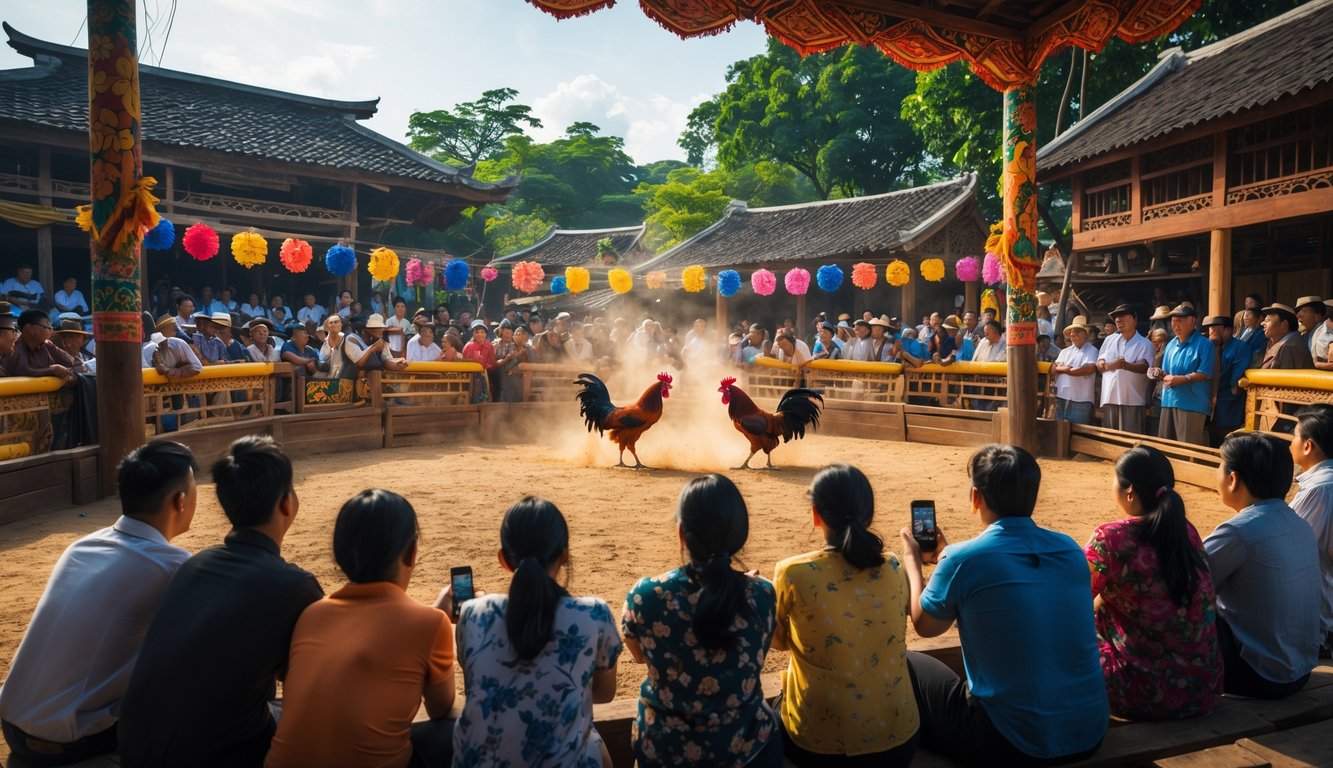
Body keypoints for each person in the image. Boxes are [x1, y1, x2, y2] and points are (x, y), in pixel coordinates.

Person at [118, 435, 324, 767]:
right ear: (288, 504)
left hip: (133, 750)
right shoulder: (295, 585)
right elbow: (312, 684)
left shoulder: (192, 565)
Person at [901, 445, 1108, 765]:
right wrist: (946, 555)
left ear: (975, 497)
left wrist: (914, 566)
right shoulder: (1068, 549)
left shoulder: (963, 558)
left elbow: (925, 624)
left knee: (906, 661)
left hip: (1012, 742)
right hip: (1089, 731)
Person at [0, 441, 198, 766]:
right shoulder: (173, 566)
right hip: (69, 741)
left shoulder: (82, 545)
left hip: (12, 722)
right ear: (180, 501)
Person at [265, 490, 456, 768]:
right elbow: (440, 708)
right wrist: (438, 618)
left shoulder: (312, 614)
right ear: (412, 552)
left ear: (340, 556)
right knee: (457, 728)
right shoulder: (430, 623)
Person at [622, 475, 780, 767]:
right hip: (745, 751)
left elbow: (639, 655)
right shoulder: (762, 594)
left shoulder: (645, 595)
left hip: (665, 749)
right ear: (739, 533)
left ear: (682, 534)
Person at [453, 498, 620, 766]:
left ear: (504, 560)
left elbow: (477, 687)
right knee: (593, 744)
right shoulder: (594, 615)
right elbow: (604, 694)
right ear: (564, 555)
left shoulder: (472, 614)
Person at [773, 465, 919, 767]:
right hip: (900, 743)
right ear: (870, 515)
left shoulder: (792, 572)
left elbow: (778, 642)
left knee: (776, 704)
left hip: (817, 749)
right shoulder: (893, 566)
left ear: (816, 515)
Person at [1084, 446, 1222, 720]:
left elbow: (1072, 601)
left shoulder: (1110, 539)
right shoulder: (1186, 530)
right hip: (1203, 688)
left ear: (1130, 491)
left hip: (1142, 693)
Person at [1206, 433, 1321, 699]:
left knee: (1179, 599)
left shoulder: (1239, 531)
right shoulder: (1299, 524)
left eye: (1220, 466)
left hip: (1259, 677)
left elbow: (1189, 578)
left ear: (1232, 479)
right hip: (1299, 672)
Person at [1290, 405, 1333, 659]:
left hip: (1318, 623)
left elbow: (1289, 546)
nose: (1291, 443)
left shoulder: (1321, 489)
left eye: (1294, 436)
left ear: (1308, 446)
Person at [1156, 304, 1214, 446]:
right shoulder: (1170, 344)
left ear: (1193, 321)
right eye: (1173, 321)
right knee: (1166, 447)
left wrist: (1181, 379)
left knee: (1188, 449)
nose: (1175, 325)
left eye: (1180, 320)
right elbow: (1167, 372)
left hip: (1192, 403)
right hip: (1169, 400)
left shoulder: (1205, 344)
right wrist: (1160, 373)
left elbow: (1205, 373)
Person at [1096, 304, 1154, 434]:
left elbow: (1145, 366)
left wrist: (1124, 365)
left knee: (1132, 439)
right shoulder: (1109, 340)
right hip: (1110, 396)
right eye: (1116, 318)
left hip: (1133, 398)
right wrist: (1104, 364)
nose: (1118, 320)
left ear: (1134, 319)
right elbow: (1100, 362)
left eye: (1123, 316)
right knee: (1111, 438)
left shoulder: (1145, 343)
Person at [1204, 315, 1250, 446]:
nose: (1212, 331)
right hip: (1207, 400)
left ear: (1228, 330)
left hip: (1228, 401)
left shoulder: (1240, 347)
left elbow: (1236, 380)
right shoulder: (1207, 346)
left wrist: (1233, 390)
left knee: (1228, 442)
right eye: (1211, 329)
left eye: (1217, 328)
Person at [1050, 316, 1098, 424]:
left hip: (1081, 398)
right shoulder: (1065, 352)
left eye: (1077, 331)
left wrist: (1065, 370)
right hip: (1061, 396)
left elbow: (1088, 369)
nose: (1073, 334)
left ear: (1085, 334)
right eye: (1072, 332)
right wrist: (1065, 369)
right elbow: (1053, 368)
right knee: (1059, 430)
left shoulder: (1092, 351)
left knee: (1078, 431)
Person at [1260, 303, 1315, 371]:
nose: (1262, 323)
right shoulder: (1276, 342)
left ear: (1284, 324)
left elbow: (1287, 380)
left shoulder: (1290, 346)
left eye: (1267, 320)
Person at [1295, 296, 1333, 363]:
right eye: (1298, 312)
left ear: (1317, 316)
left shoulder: (1324, 332)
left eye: (1304, 311)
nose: (1298, 316)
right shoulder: (1305, 333)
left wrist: (1318, 364)